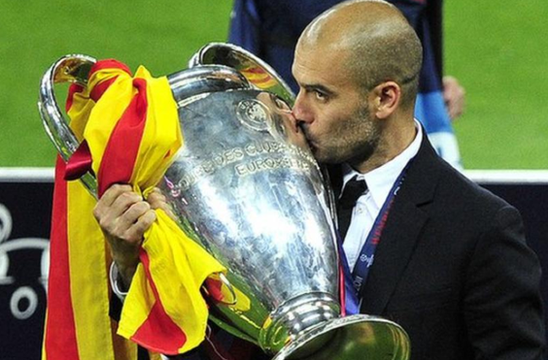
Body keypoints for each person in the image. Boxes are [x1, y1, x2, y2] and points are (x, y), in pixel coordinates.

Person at [97, 1, 545, 359]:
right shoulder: (266, 184)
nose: (297, 110)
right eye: (299, 86)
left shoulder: (480, 228)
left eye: (320, 94)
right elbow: (204, 340)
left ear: (385, 98)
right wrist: (129, 264)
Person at [229, 0, 465, 169]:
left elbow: (419, 29)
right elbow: (241, 66)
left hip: (397, 115)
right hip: (293, 131)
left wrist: (430, 83)